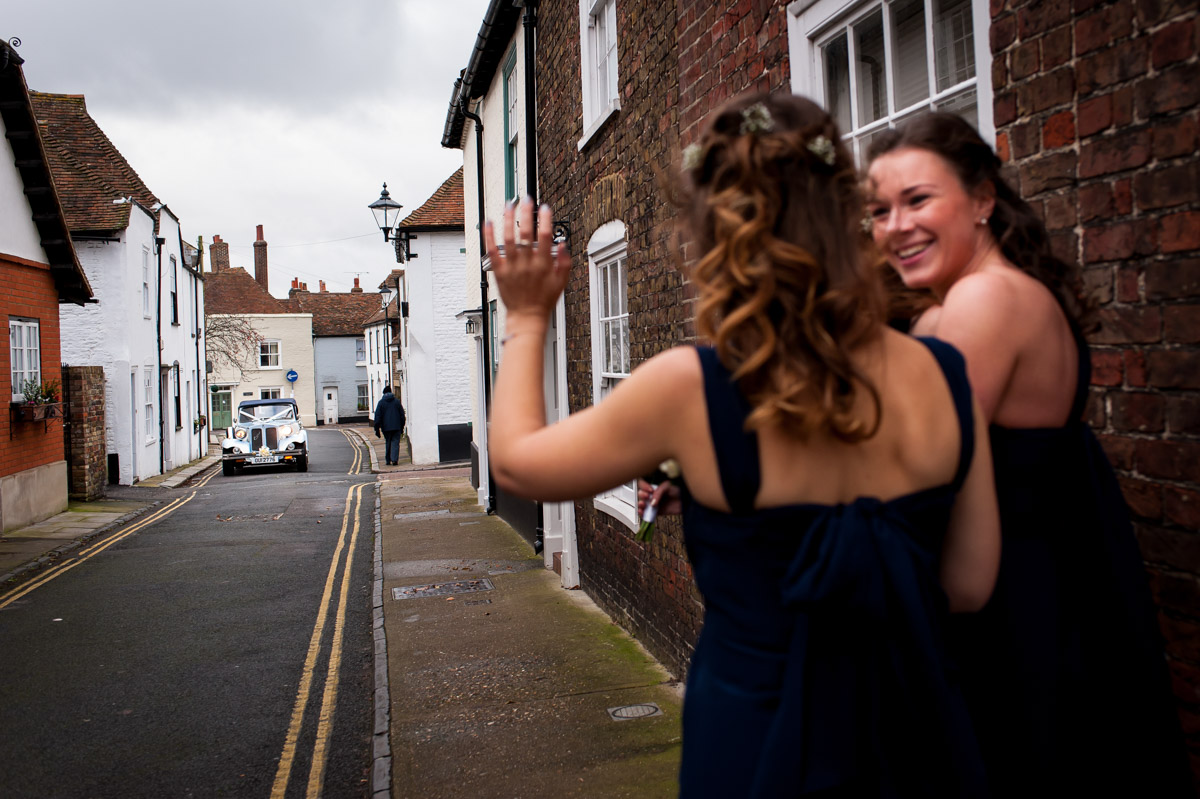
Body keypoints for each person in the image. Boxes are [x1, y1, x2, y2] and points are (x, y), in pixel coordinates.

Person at [486, 93, 1000, 797]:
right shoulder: (946, 373)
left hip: (758, 744)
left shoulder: (691, 388)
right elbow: (969, 584)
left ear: (714, 231)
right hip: (912, 734)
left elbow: (517, 461)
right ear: (844, 212)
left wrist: (525, 317)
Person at [863, 112, 1191, 797]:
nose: (895, 226)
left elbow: (919, 465)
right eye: (879, 210)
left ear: (983, 198)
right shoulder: (951, 304)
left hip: (1018, 613)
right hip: (1037, 590)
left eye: (918, 200)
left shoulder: (987, 297)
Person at [373, 385, 406, 466]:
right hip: (396, 426)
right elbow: (402, 415)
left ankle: (388, 460)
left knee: (388, 442)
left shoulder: (381, 403)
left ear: (384, 393)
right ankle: (394, 459)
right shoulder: (397, 402)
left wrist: (376, 429)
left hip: (386, 427)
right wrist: (402, 426)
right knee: (395, 443)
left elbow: (377, 416)